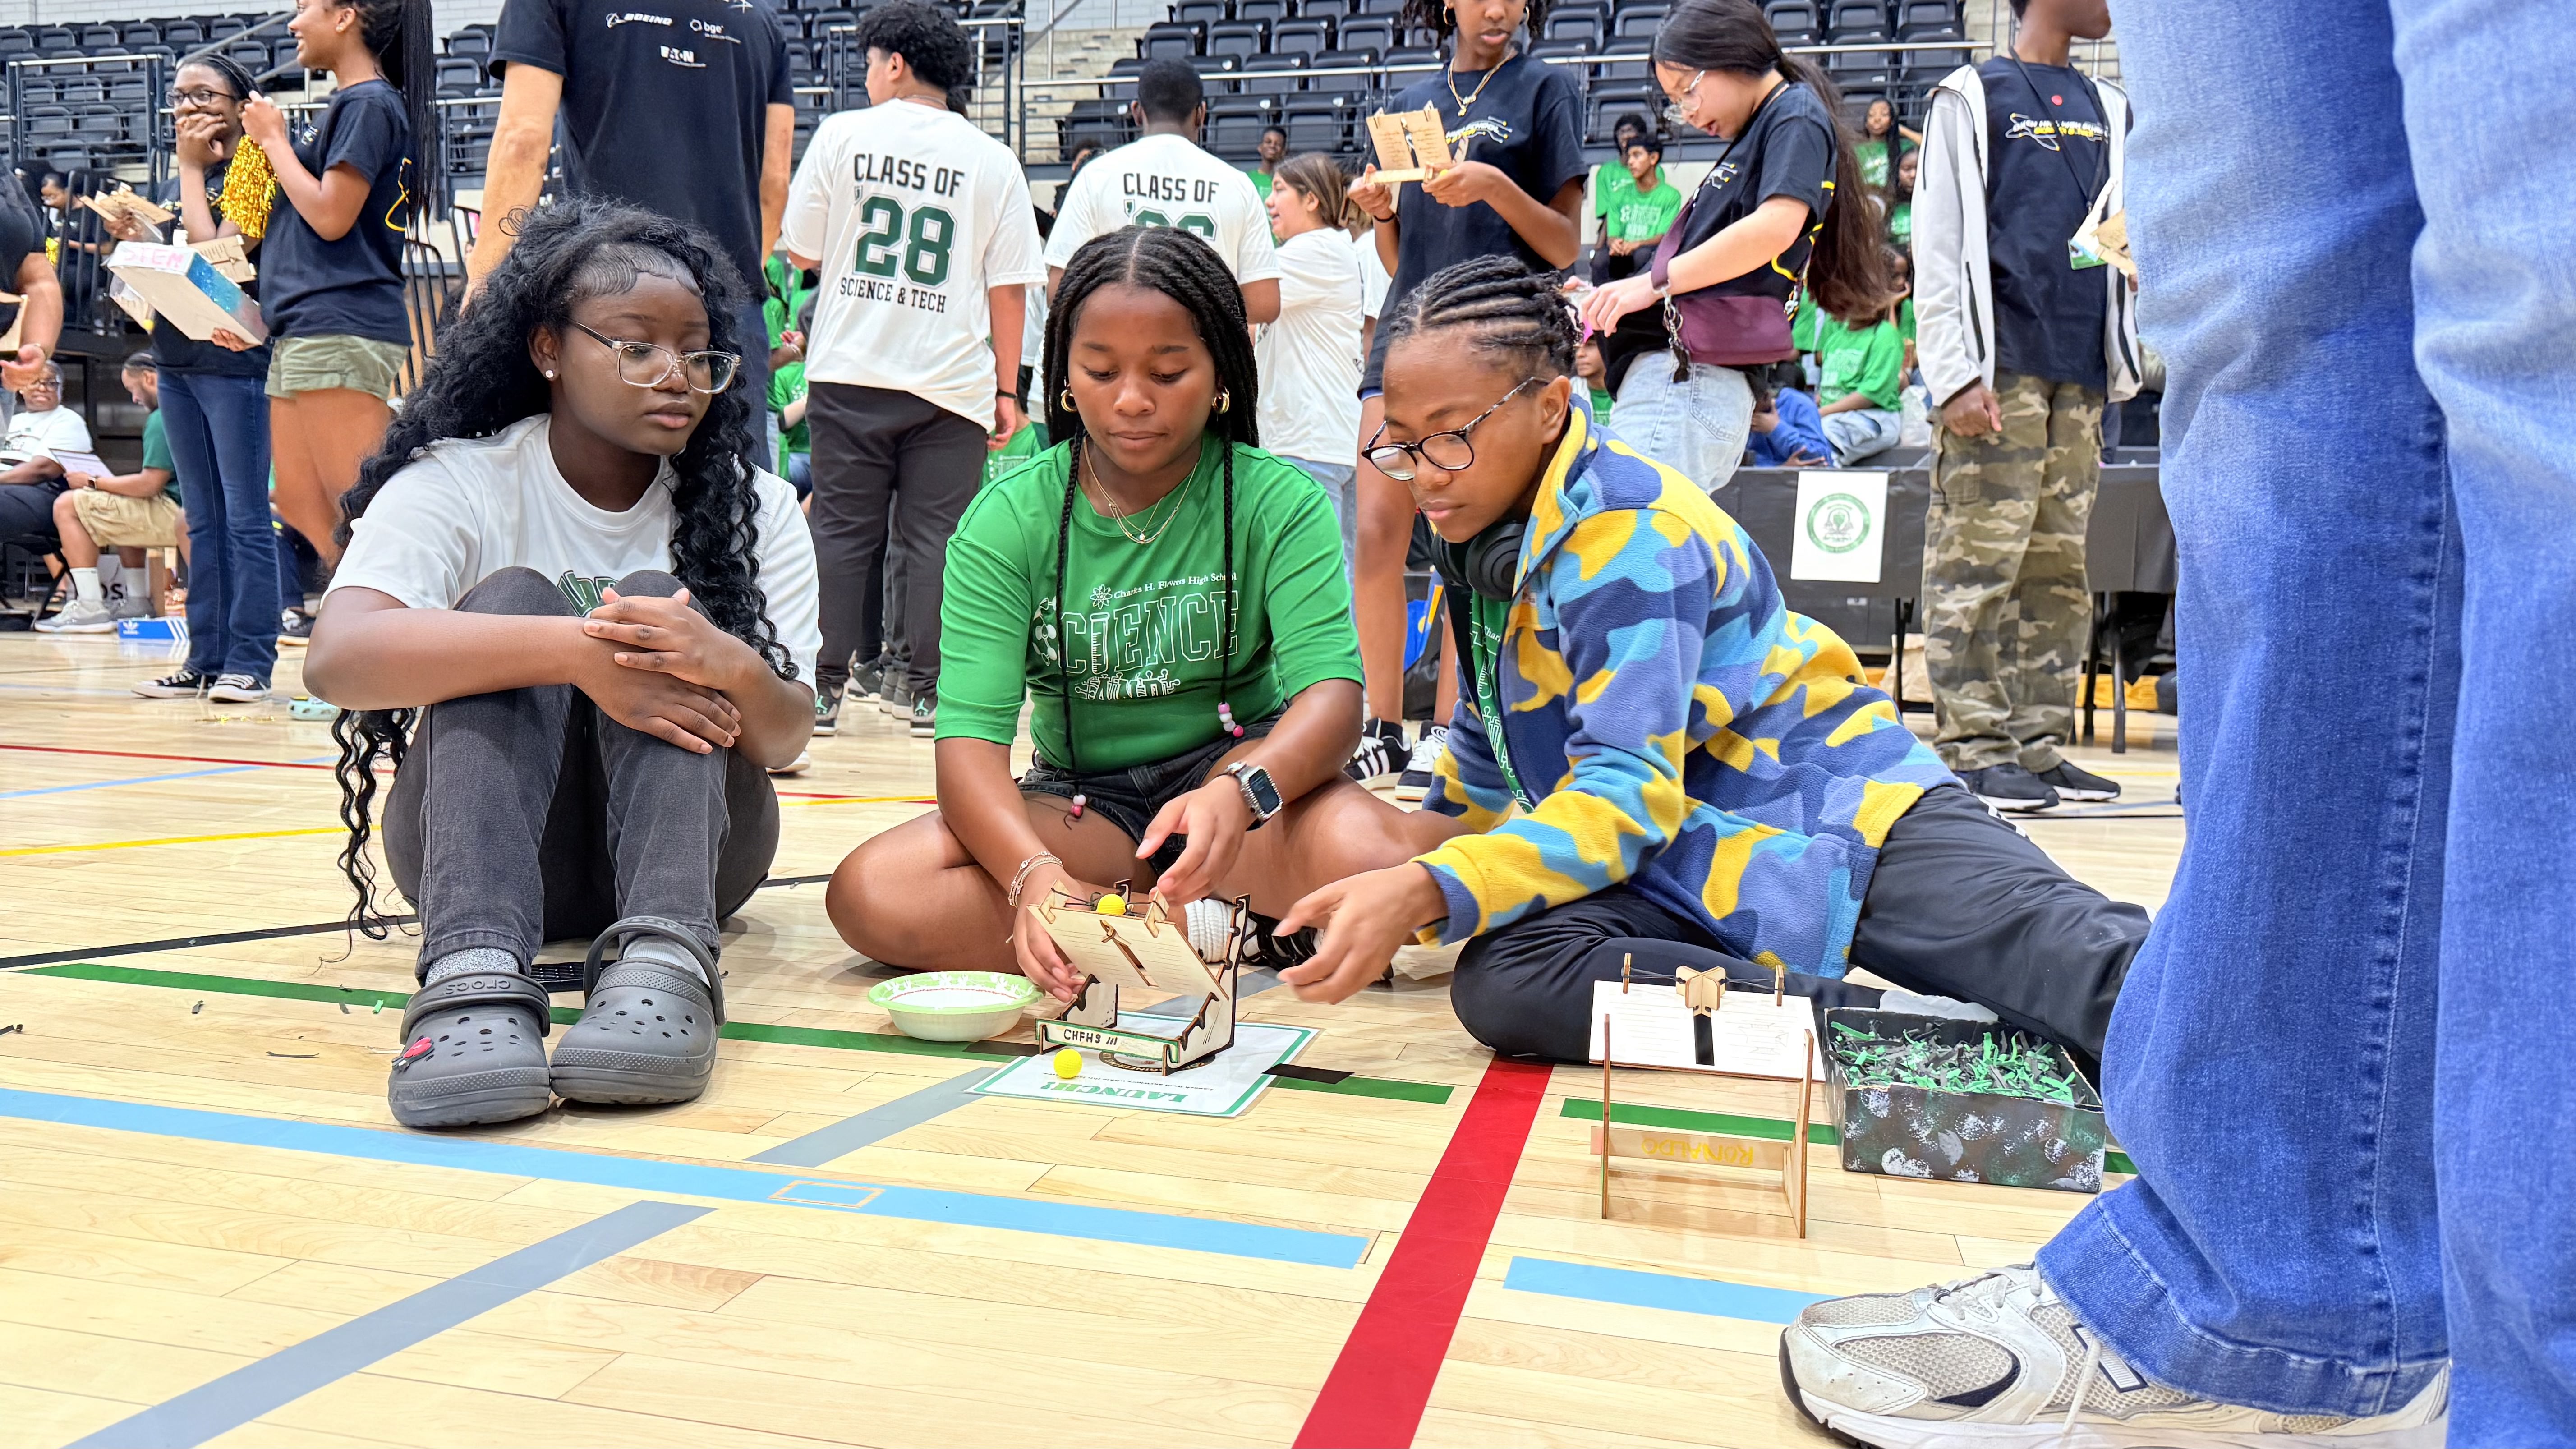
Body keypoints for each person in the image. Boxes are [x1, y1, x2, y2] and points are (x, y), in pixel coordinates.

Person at [1777, 0, 2568, 1441]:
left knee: (2550, 302)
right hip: (2012, 363)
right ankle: (2263, 1288)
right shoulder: (1978, 98)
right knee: (2276, 346)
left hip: (2059, 372)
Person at [1271, 257, 2143, 1076]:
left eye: (1448, 437)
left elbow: (1625, 796)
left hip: (1840, 825)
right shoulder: (1481, 544)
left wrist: (1425, 886)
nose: (1422, 476)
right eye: (1399, 445)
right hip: (1682, 865)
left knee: (2102, 982)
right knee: (1510, 978)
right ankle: (1894, 1031)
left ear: (1549, 405)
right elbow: (1470, 791)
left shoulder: (1630, 533)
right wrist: (1356, 893)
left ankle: (1986, 1011)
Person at [304, 201, 819, 1132]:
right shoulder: (458, 480)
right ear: (547, 348)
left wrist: (727, 661)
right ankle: (470, 973)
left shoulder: (760, 509)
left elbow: (785, 737)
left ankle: (667, 961)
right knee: (510, 600)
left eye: (699, 353)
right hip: (486, 847)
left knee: (659, 599)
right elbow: (338, 658)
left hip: (698, 857)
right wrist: (577, 653)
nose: (678, 377)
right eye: (636, 347)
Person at [825, 226, 1451, 984]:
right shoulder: (1008, 517)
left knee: (1389, 863)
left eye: (1167, 371)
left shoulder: (1275, 501)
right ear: (1062, 378)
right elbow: (967, 753)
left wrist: (1240, 792)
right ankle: (1218, 926)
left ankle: (1147, 927)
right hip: (1081, 805)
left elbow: (1332, 701)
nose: (1130, 399)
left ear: (1220, 371)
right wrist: (1036, 878)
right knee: (873, 893)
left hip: (1239, 786)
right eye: (1099, 370)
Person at [783, 0, 1044, 741]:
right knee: (937, 539)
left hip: (851, 369)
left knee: (840, 531)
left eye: (870, 62)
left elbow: (800, 250)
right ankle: (927, 695)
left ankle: (825, 690)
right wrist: (1007, 390)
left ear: (895, 63)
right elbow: (1008, 286)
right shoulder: (993, 159)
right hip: (952, 382)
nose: (868, 75)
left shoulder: (842, 136)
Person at [1345, 0, 1587, 790]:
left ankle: (1454, 731)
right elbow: (1400, 255)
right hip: (1407, 338)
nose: (1501, 8)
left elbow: (1561, 243)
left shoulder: (1545, 89)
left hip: (1495, 343)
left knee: (1464, 541)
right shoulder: (1407, 100)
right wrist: (1382, 214)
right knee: (1380, 527)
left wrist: (1491, 187)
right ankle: (1379, 724)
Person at [1911, 0, 2134, 812]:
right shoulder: (1970, 95)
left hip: (2078, 368)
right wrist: (1950, 375)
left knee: (2057, 568)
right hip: (1994, 368)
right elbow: (1935, 241)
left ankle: (2037, 748)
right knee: (1977, 561)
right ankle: (1973, 748)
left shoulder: (2109, 105)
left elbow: (2115, 230)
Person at [1578, 0, 1890, 495]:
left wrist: (1651, 283)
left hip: (1688, 375)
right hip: (1680, 378)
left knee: (1631, 548)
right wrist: (1609, 290)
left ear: (1732, 55)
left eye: (1688, 92)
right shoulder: (1770, 124)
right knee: (1650, 552)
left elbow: (1774, 228)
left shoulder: (1793, 114)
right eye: (1676, 102)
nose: (1687, 112)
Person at [474, 0, 794, 425]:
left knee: (599, 483)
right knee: (732, 482)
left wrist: (483, 284)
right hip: (728, 306)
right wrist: (727, 278)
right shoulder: (760, 19)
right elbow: (775, 183)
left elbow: (522, 140)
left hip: (613, 293)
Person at [239, 0, 437, 572]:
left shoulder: (369, 103)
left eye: (305, 9)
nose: (294, 24)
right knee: (301, 500)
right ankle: (368, 603)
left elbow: (331, 216)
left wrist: (275, 142)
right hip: (303, 325)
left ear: (346, 16)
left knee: (365, 504)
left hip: (341, 321)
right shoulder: (353, 104)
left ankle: (402, 618)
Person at [127, 55, 289, 698]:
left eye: (203, 94)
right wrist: (140, 234)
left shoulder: (255, 164)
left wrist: (191, 169)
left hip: (236, 363)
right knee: (199, 518)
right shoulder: (178, 181)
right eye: (178, 96)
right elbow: (174, 268)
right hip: (177, 361)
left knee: (246, 516)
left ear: (238, 101)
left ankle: (251, 659)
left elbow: (217, 262)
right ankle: (205, 658)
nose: (187, 107)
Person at [1044, 60, 1280, 324]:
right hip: (1203, 355)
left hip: (1121, 350)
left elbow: (1058, 291)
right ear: (1201, 114)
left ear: (1136, 111)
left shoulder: (1097, 175)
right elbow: (1265, 303)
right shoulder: (1237, 184)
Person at [1257, 154, 1365, 584]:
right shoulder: (1329, 249)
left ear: (1313, 200)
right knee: (1337, 582)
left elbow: (1234, 294)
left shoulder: (1313, 250)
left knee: (1316, 586)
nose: (1269, 201)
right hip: (1326, 441)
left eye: (1281, 188)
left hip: (1310, 445)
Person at [37, 354, 179, 633]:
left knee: (67, 505)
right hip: (193, 510)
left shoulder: (162, 418)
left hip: (176, 513)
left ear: (149, 379)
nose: (135, 400)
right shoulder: (188, 408)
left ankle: (90, 606)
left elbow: (149, 485)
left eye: (133, 391)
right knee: (125, 501)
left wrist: (91, 481)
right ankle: (137, 602)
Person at [1812, 273, 1907, 464]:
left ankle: (1826, 472)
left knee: (1827, 434)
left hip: (1875, 417)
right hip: (1832, 414)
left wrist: (1820, 414)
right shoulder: (1836, 338)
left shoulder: (1885, 335)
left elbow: (1870, 396)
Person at [1595, 130, 1682, 274]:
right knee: (1600, 259)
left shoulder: (1671, 196)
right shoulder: (1618, 194)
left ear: (1653, 158)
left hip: (1650, 252)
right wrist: (1614, 243)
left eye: (1637, 155)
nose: (1630, 162)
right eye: (1629, 156)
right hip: (1623, 253)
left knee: (1643, 255)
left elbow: (1663, 237)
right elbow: (1613, 234)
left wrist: (1637, 244)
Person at [1587, 111, 1651, 244]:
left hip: (1644, 231)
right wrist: (1600, 247)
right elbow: (1607, 214)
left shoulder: (1653, 168)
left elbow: (1652, 207)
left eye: (1630, 131)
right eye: (1621, 132)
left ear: (1641, 135)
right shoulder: (1606, 172)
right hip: (1613, 232)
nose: (1625, 136)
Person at [1747, 380, 1829, 467]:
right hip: (1764, 478)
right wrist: (1781, 470)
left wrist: (1776, 429)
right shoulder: (1741, 416)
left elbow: (1822, 459)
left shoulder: (1799, 404)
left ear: (1766, 397)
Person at [1852, 95, 1916, 189]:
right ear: (1866, 123)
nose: (1877, 119)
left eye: (1884, 115)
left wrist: (1900, 129)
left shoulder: (1904, 147)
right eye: (1871, 115)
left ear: (1892, 121)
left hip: (1894, 199)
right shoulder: (1856, 150)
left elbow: (1929, 144)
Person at [1244, 124, 1287, 207]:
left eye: (1278, 144)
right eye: (1268, 142)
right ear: (1260, 147)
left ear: (1283, 152)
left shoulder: (1288, 181)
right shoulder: (1247, 179)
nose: (1272, 146)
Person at [1884, 142, 1917, 251]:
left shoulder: (1935, 203)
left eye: (1919, 169)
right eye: (1907, 169)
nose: (1913, 175)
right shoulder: (1887, 200)